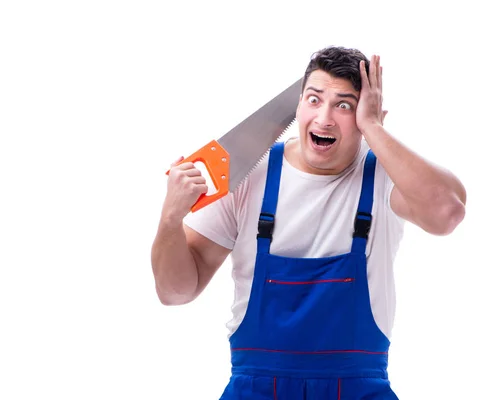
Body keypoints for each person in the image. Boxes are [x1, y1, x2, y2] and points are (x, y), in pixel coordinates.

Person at [151, 46, 467, 399]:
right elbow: (175, 292)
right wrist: (170, 218)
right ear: (297, 106)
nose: (325, 118)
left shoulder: (387, 177)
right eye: (314, 100)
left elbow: (447, 213)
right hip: (254, 389)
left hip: (357, 390)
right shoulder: (246, 176)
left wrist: (374, 128)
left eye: (344, 105)